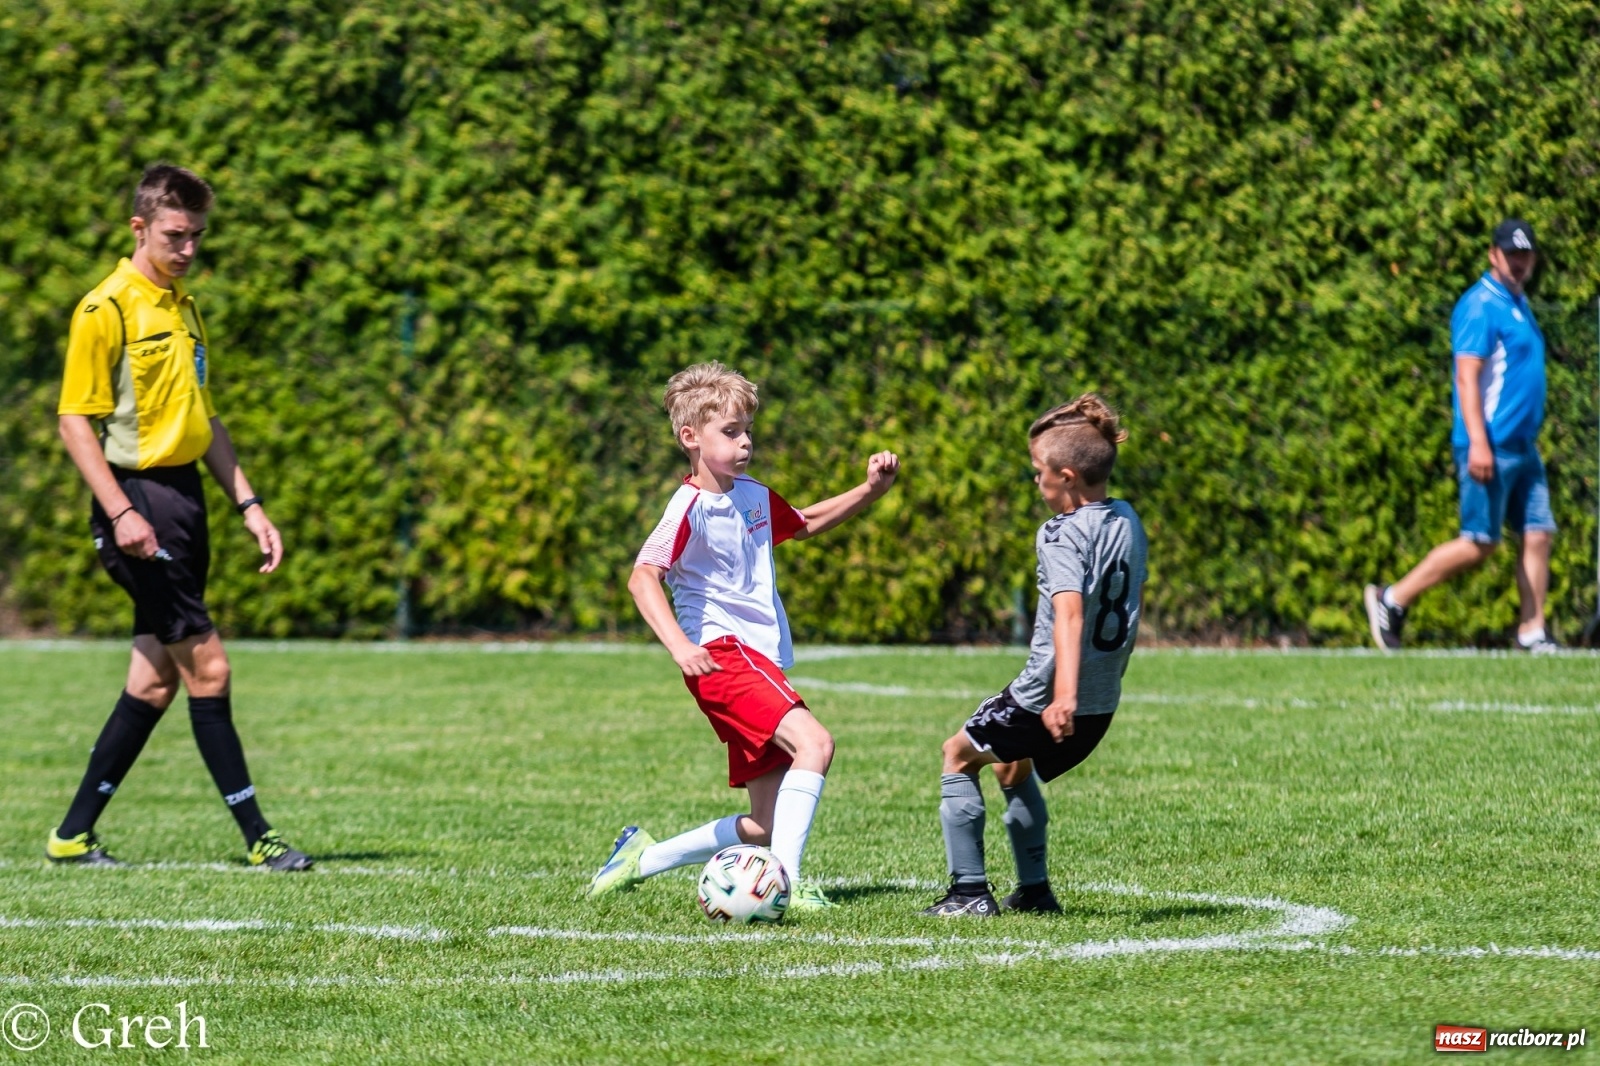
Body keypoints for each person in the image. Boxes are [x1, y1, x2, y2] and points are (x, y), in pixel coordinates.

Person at [46, 163, 310, 870]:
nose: (187, 248)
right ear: (139, 227)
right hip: (140, 506)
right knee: (210, 667)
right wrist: (123, 511)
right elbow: (75, 422)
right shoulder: (105, 309)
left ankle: (72, 836)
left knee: (155, 680)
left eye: (197, 236)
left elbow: (205, 417)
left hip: (186, 500)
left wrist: (249, 504)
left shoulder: (185, 306)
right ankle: (260, 838)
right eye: (174, 235)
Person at [586, 361, 899, 911]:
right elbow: (643, 577)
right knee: (816, 744)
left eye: (747, 430)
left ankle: (641, 858)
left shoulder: (751, 494)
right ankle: (790, 885)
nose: (745, 441)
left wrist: (870, 490)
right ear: (690, 437)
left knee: (763, 824)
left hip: (758, 662)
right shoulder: (688, 506)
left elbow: (804, 522)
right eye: (730, 432)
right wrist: (682, 647)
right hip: (723, 657)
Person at [923, 395, 1146, 917]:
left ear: (1066, 477)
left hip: (1047, 696)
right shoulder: (1128, 518)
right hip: (1103, 700)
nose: (1035, 482)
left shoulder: (1061, 533)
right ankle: (1036, 892)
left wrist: (1061, 695)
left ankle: (969, 893)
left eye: (1037, 472)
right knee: (1011, 769)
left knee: (957, 755)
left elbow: (1069, 614)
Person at [1365, 220, 1559, 653]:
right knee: (1480, 543)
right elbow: (1467, 380)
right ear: (1493, 254)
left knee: (1539, 532)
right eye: (1512, 255)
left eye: (1525, 255)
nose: (1520, 263)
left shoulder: (1518, 302)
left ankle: (1533, 632)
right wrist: (1478, 441)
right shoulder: (1479, 305)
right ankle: (1392, 599)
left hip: (1522, 448)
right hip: (1488, 445)